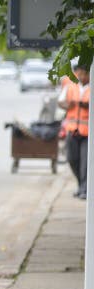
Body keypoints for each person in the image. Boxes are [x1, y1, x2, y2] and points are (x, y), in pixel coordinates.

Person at [58, 62, 90, 199]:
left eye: (85, 73)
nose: (82, 76)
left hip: (88, 133)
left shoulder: (91, 88)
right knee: (72, 159)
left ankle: (84, 189)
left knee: (85, 162)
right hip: (72, 130)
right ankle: (80, 184)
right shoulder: (71, 86)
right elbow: (61, 102)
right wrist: (68, 104)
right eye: (80, 73)